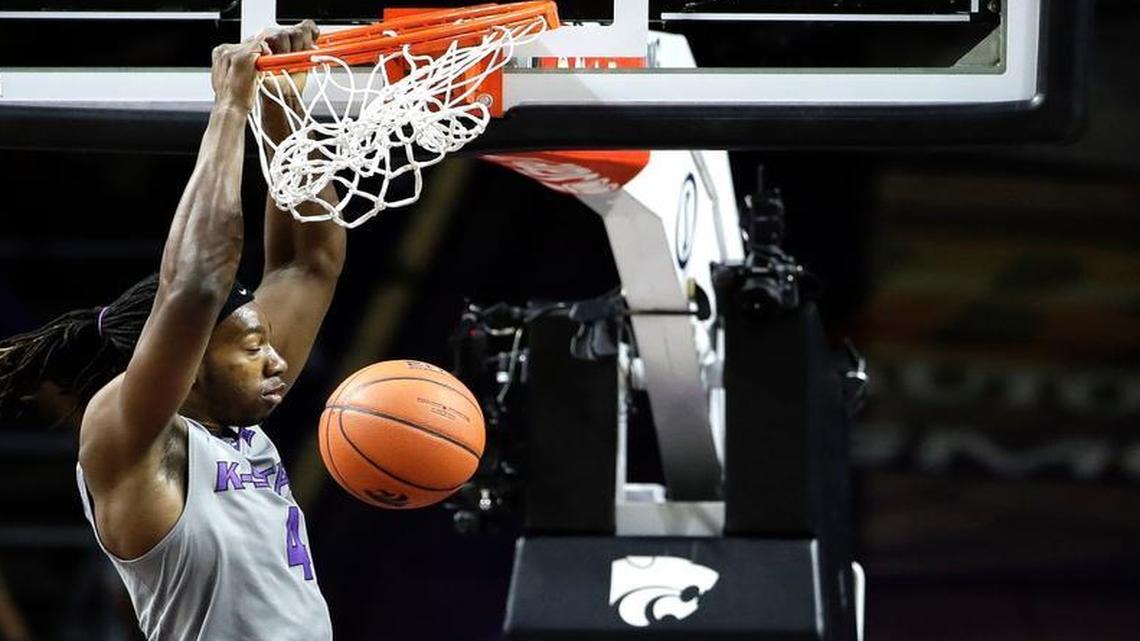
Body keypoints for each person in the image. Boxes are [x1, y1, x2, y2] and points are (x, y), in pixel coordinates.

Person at [1, 22, 346, 641]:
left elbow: (309, 261)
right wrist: (231, 108)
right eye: (252, 348)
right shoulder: (125, 435)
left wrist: (283, 106)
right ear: (188, 363)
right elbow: (193, 285)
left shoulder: (235, 408)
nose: (277, 362)